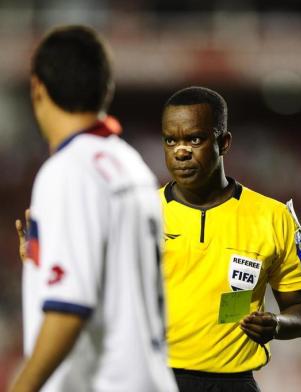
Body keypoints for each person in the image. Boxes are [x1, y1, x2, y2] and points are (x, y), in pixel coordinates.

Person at [11, 25, 177, 392]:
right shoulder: (131, 163)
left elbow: (68, 313)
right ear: (107, 89)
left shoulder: (68, 171)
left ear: (38, 87)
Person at [160, 86, 301, 392]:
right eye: (171, 140)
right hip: (155, 380)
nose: (181, 151)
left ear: (223, 143)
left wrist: (277, 325)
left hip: (233, 384)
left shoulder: (273, 216)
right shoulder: (140, 213)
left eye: (195, 139)